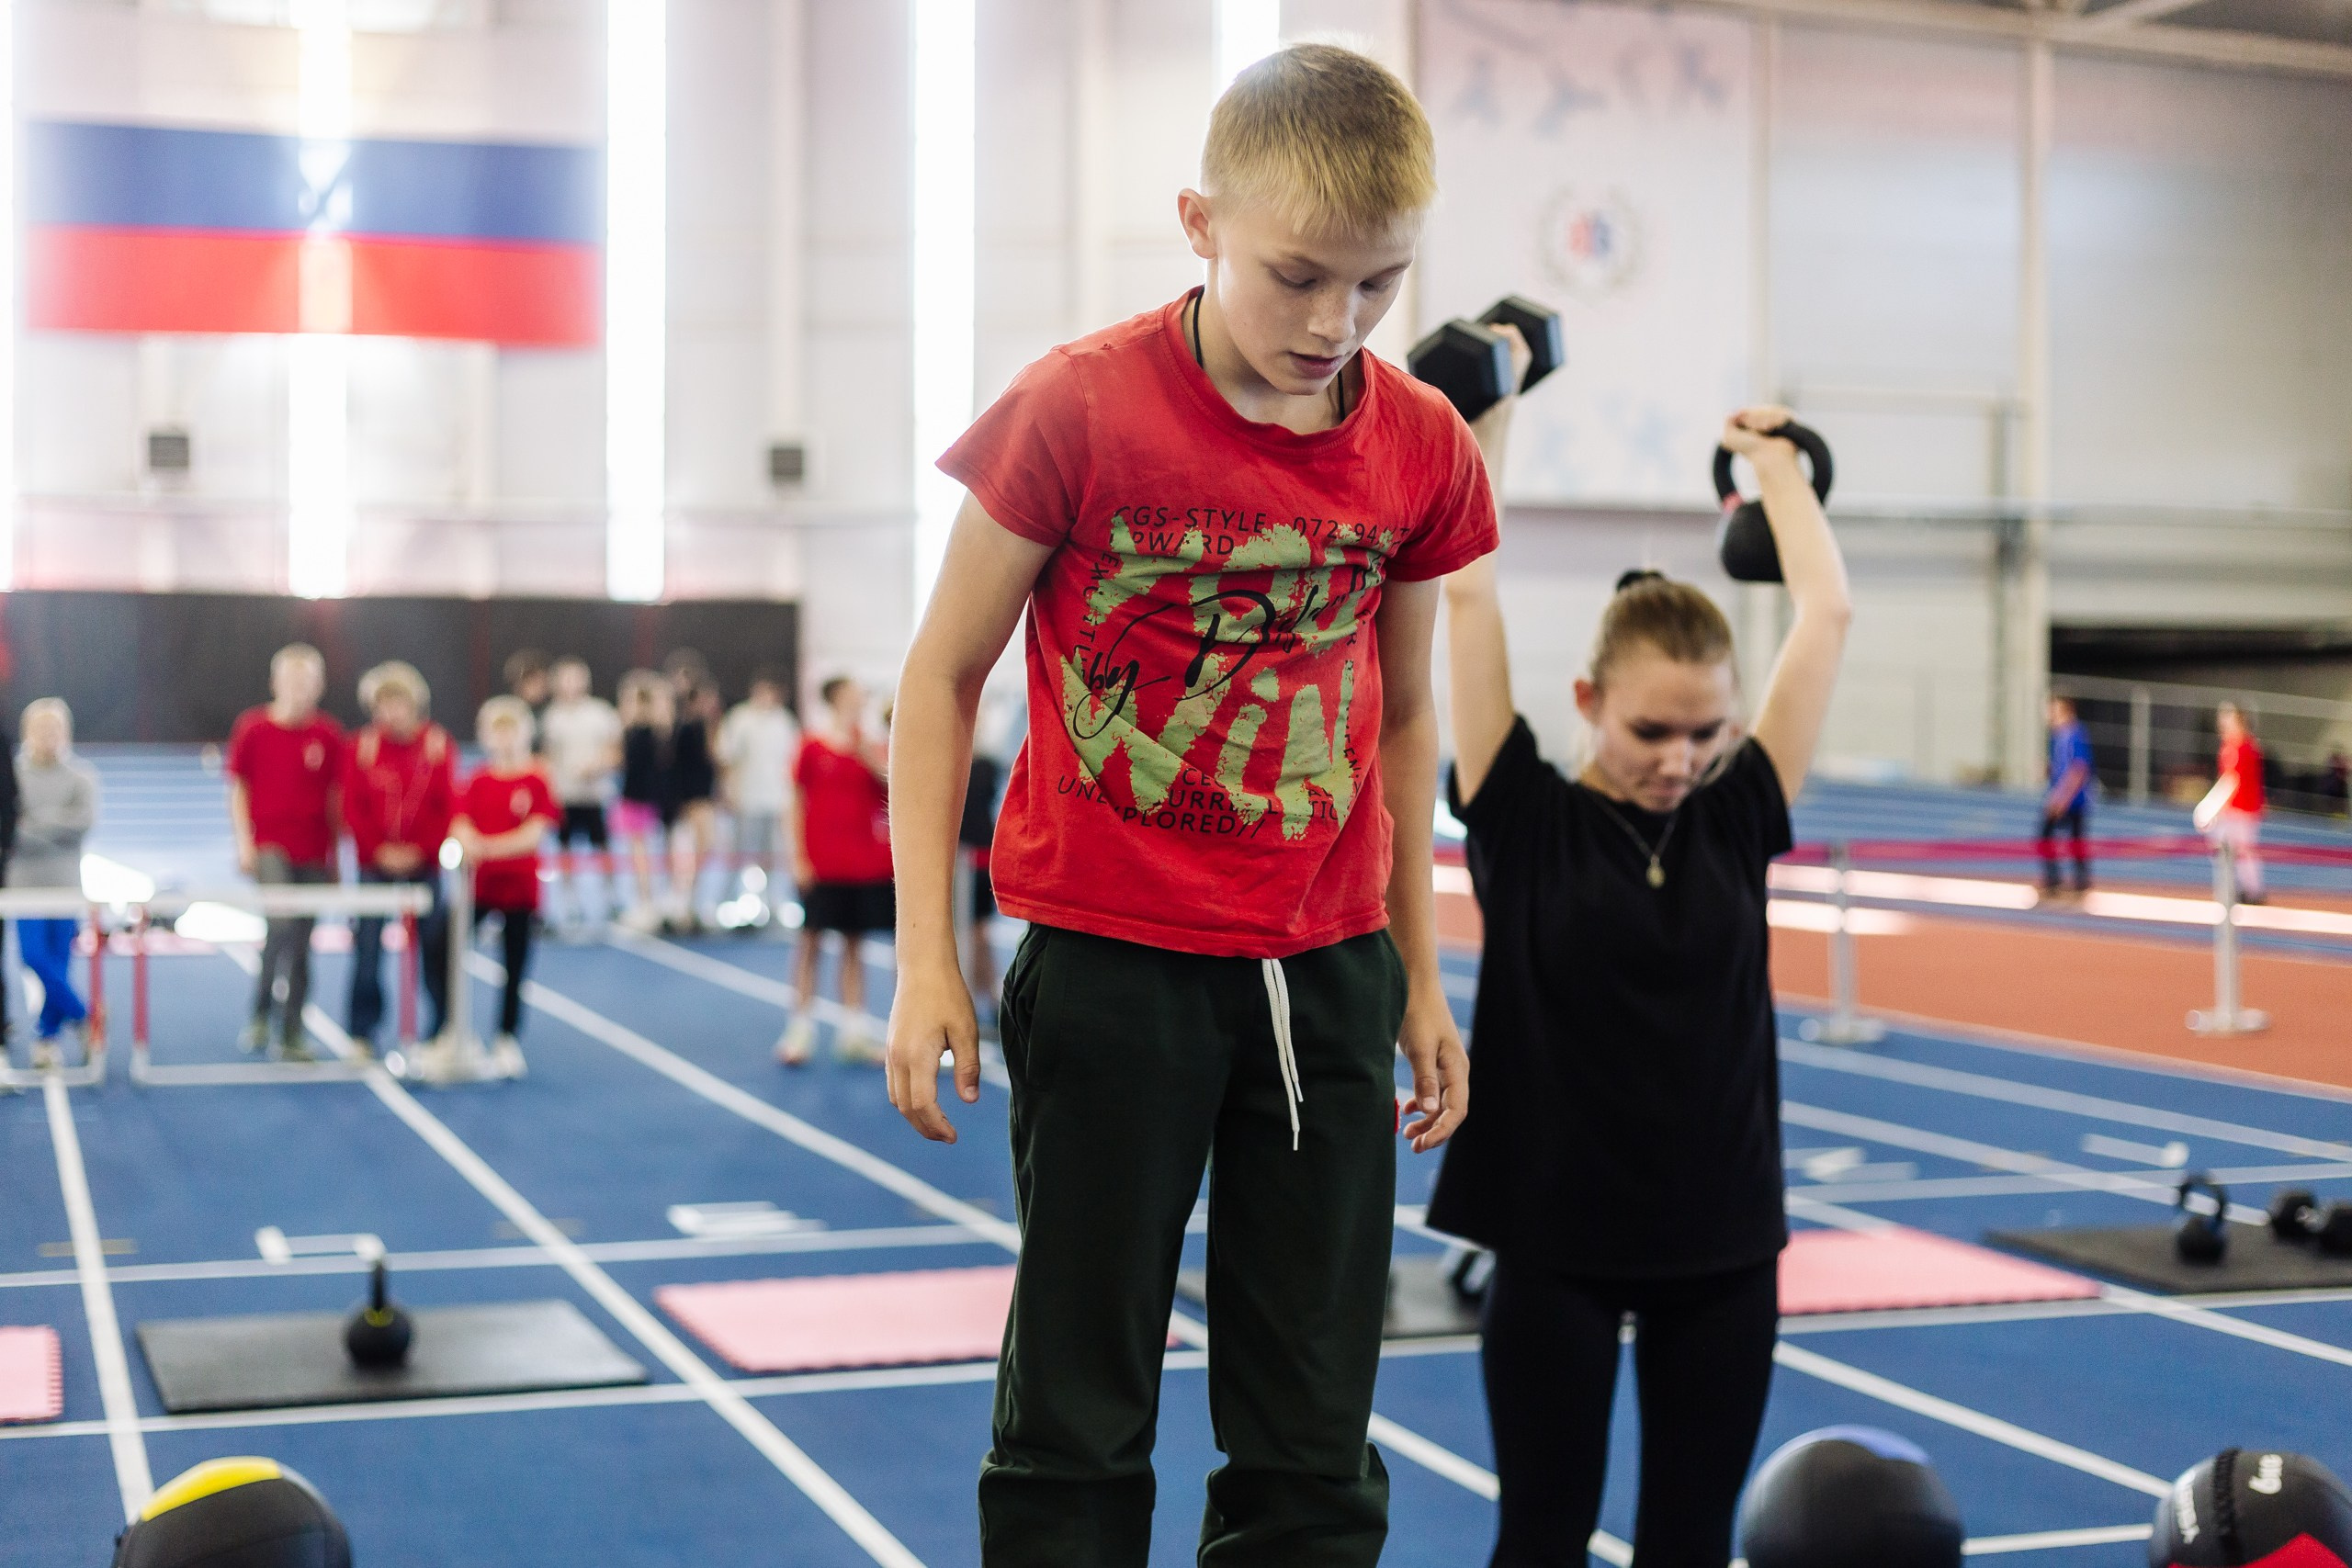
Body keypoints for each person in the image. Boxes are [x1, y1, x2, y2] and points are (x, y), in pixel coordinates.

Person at [885, 45, 1487, 1564]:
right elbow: (940, 677)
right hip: (1113, 960)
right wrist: (924, 957)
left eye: (1379, 284)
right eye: (1298, 276)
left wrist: (1417, 973)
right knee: (1078, 1415)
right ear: (1200, 223)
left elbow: (1406, 715)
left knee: (1314, 1434)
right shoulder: (1077, 408)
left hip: (1325, 968)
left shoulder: (1420, 441)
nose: (1335, 323)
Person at [1432, 406, 1853, 1568]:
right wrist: (1489, 412)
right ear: (1585, 701)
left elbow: (1825, 613)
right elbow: (1467, 593)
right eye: (1652, 730)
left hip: (1721, 1248)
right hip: (1553, 1244)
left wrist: (1775, 468)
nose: (1680, 759)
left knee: (1688, 1546)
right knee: (1541, 1540)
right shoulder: (1521, 815)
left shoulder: (1737, 812)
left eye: (1706, 733)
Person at [227, 643, 344, 1060]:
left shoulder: (328, 734)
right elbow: (238, 789)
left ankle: (292, 1029)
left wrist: (336, 859)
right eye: (292, 680)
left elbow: (336, 800)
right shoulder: (253, 727)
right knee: (280, 926)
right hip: (269, 846)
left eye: (307, 681)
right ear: (275, 683)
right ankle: (261, 1012)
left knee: (303, 941)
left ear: (319, 686)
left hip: (313, 851)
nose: (299, 688)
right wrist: (244, 844)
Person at [437, 696, 557, 1077]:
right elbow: (459, 822)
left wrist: (488, 848)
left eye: (511, 731)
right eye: (497, 732)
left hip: (520, 888)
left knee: (514, 965)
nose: (504, 740)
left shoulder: (537, 779)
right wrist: (471, 842)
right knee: (446, 949)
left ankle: (507, 1036)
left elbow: (535, 833)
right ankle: (451, 1026)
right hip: (480, 888)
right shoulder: (477, 780)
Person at [775, 675, 891, 1066]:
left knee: (854, 944)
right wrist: (798, 857)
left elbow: (891, 788)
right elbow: (794, 802)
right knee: (810, 944)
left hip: (863, 864)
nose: (859, 700)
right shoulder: (811, 746)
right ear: (836, 699)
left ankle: (853, 1030)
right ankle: (799, 1029)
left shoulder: (871, 746)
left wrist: (867, 754)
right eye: (853, 695)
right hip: (821, 864)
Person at [341, 661, 455, 1054]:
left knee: (435, 944)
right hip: (375, 864)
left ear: (415, 704)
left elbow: (446, 806)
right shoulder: (361, 746)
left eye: (399, 702)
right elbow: (352, 806)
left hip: (424, 864)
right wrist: (379, 850)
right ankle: (362, 1031)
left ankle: (442, 1028)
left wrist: (420, 850)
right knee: (368, 946)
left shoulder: (437, 745)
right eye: (384, 704)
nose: (392, 712)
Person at [10, 699, 96, 1068]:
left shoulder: (82, 777)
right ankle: (86, 1016)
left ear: (66, 733)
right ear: (27, 733)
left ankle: (46, 1039)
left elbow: (83, 824)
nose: (48, 736)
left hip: (66, 886)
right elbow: (11, 830)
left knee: (60, 964)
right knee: (33, 957)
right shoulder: (12, 776)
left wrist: (34, 824)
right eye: (41, 729)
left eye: (55, 729)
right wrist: (55, 826)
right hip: (23, 887)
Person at [541, 657, 623, 931]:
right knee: (565, 849)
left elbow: (615, 752)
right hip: (565, 795)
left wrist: (597, 767)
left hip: (594, 795)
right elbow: (548, 757)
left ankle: (611, 897)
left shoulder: (601, 714)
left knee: (603, 846)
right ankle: (570, 901)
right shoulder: (553, 717)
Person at [718, 667, 799, 918]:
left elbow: (792, 763)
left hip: (776, 799)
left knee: (774, 854)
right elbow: (728, 759)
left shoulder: (784, 722)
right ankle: (729, 901)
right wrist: (729, 791)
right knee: (741, 851)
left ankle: (774, 902)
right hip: (748, 799)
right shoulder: (740, 719)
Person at [613, 669, 675, 930]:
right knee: (643, 854)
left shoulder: (647, 732)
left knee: (643, 856)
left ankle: (649, 903)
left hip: (641, 798)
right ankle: (649, 902)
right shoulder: (641, 731)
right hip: (641, 797)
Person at [662, 655, 721, 931]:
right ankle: (680, 904)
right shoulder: (684, 727)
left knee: (702, 849)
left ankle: (690, 903)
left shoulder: (703, 726)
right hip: (687, 796)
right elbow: (675, 764)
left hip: (700, 794)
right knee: (686, 850)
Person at [2204, 702, 2267, 904]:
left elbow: (2232, 782)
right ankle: (2246, 889)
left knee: (2237, 850)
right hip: (2238, 808)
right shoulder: (2236, 746)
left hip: (2241, 809)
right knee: (2234, 849)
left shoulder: (2242, 748)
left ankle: (2248, 890)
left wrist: (2211, 807)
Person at [958, 747, 1003, 1012]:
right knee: (975, 932)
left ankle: (988, 994)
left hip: (978, 858)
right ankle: (987, 993)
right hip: (964, 858)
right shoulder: (982, 765)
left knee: (978, 932)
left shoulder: (985, 765)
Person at [2040, 694, 2094, 897]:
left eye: (2053, 710)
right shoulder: (2056, 736)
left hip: (2073, 799)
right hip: (2062, 796)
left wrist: (2061, 799)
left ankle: (2070, 881)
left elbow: (2079, 769)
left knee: (2061, 837)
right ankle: (2066, 880)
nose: (2049, 714)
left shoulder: (2076, 734)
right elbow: (2060, 766)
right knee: (2067, 837)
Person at [504, 649, 552, 748]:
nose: (538, 687)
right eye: (531, 682)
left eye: (541, 681)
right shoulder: (506, 712)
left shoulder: (555, 712)